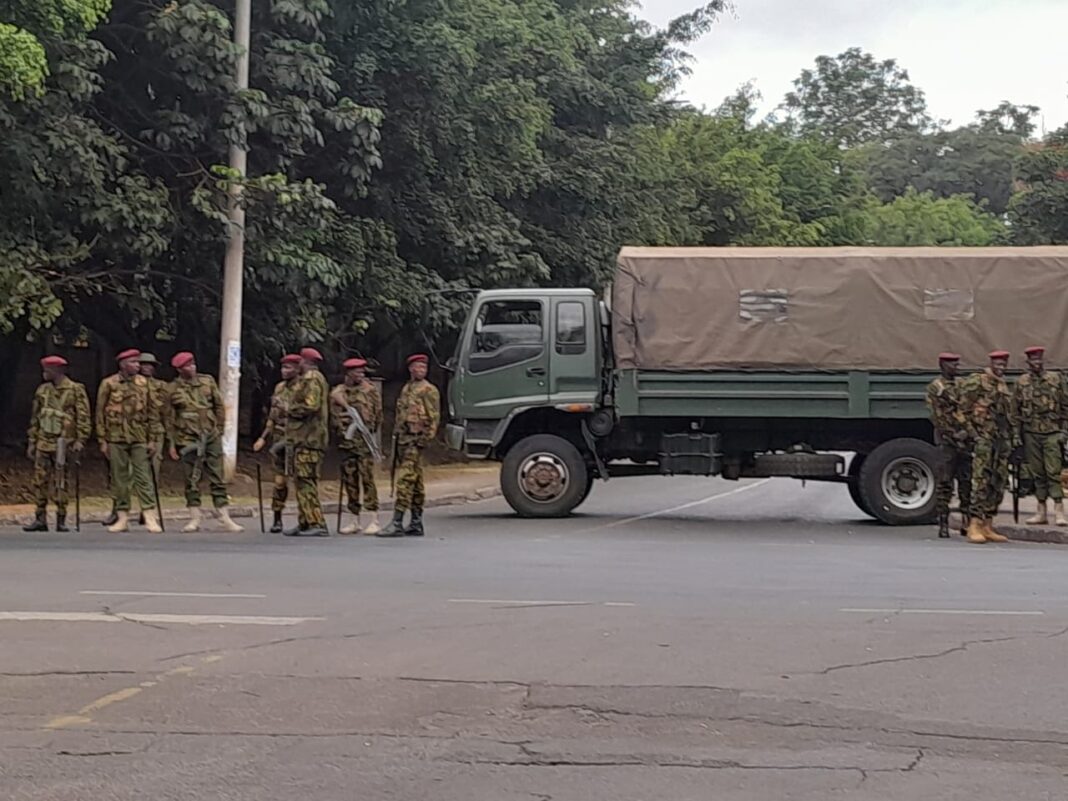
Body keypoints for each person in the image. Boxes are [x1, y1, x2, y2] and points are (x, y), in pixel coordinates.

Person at [164, 352, 242, 533]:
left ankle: (224, 516)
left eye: (193, 364)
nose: (192, 368)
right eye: (187, 366)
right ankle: (194, 517)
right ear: (179, 369)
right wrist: (172, 443)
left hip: (210, 435)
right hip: (187, 438)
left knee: (218, 476)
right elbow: (168, 417)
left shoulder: (207, 381)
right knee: (191, 478)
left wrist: (220, 429)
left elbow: (218, 406)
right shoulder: (172, 389)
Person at [96, 348, 164, 533]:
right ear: (123, 365)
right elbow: (100, 413)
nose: (137, 366)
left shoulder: (144, 384)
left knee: (143, 478)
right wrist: (102, 439)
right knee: (120, 479)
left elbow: (152, 412)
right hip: (116, 438)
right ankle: (122, 517)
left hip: (139, 437)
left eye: (138, 363)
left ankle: (149, 516)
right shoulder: (109, 384)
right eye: (133, 362)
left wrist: (152, 439)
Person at [23, 356, 91, 532]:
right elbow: (36, 418)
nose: (44, 373)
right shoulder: (42, 390)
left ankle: (61, 518)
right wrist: (32, 441)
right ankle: (40, 517)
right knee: (40, 480)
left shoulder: (75, 389)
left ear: (57, 370)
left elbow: (83, 417)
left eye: (47, 369)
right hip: (43, 441)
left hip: (63, 443)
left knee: (61, 481)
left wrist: (80, 440)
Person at [377, 354, 440, 538]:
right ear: (410, 369)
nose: (420, 370)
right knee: (416, 483)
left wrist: (424, 440)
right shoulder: (407, 389)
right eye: (417, 367)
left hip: (415, 441)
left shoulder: (429, 390)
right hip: (404, 441)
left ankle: (397, 521)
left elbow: (433, 418)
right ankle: (416, 522)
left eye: (423, 367)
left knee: (404, 481)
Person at [958, 350, 1014, 544]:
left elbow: (1008, 416)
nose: (1001, 367)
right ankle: (974, 523)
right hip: (984, 440)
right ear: (991, 363)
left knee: (998, 482)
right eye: (998, 363)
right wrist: (973, 434)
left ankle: (988, 524)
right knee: (980, 481)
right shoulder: (977, 381)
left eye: (1004, 364)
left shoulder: (1003, 385)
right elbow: (962, 410)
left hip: (1001, 441)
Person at [1014, 346, 1068, 526]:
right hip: (1031, 433)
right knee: (1037, 473)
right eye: (1033, 360)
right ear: (1028, 362)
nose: (1036, 363)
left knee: (1053, 471)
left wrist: (1064, 432)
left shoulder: (1055, 379)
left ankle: (1059, 511)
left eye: (1039, 360)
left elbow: (1065, 406)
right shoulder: (1021, 382)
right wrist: (1017, 435)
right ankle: (1041, 511)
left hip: (1052, 432)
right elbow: (1015, 411)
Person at [331, 358, 383, 535]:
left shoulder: (370, 391)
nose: (361, 374)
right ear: (348, 373)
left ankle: (374, 518)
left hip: (364, 444)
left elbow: (378, 415)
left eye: (362, 371)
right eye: (357, 372)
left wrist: (367, 430)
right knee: (350, 481)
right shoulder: (339, 391)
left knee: (368, 480)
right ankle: (354, 519)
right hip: (347, 444)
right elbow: (333, 415)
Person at [284, 347, 330, 536]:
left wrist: (289, 409)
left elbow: (311, 406)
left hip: (310, 439)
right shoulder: (309, 379)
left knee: (306, 481)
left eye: (300, 361)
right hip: (303, 438)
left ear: (305, 362)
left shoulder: (312, 379)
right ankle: (305, 521)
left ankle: (317, 523)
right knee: (300, 481)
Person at [926, 352, 972, 539]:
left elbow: (970, 409)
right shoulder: (935, 388)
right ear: (942, 365)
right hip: (946, 442)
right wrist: (953, 435)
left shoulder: (963, 385)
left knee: (966, 483)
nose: (956, 367)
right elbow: (936, 415)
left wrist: (966, 433)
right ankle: (943, 522)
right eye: (951, 364)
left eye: (957, 364)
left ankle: (967, 522)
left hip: (965, 440)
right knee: (945, 483)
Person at [254, 354, 301, 533]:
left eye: (289, 368)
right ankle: (277, 518)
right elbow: (272, 417)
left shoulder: (303, 388)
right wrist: (263, 438)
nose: (284, 371)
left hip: (297, 438)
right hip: (279, 438)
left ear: (297, 369)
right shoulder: (279, 388)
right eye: (283, 368)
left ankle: (304, 518)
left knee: (300, 481)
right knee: (279, 481)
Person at [138, 352, 167, 524]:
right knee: (125, 474)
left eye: (151, 365)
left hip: (156, 432)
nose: (147, 367)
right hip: (134, 431)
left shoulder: (161, 386)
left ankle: (148, 509)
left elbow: (165, 411)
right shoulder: (131, 384)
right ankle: (118, 509)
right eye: (144, 364)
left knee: (152, 472)